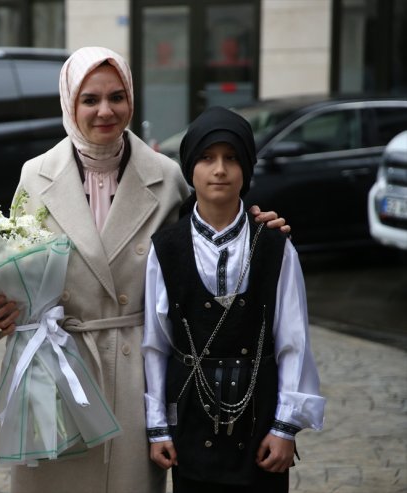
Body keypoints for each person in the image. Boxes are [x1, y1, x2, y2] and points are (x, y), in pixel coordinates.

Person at [0, 47, 288, 493]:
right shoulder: (35, 175)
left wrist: (255, 230)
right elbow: (11, 267)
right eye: (90, 99)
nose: (105, 111)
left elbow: (206, 242)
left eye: (117, 97)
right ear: (69, 103)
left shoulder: (166, 176)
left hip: (135, 371)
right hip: (57, 367)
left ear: (132, 101)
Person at [142, 106, 325, 492]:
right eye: (207, 158)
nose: (220, 170)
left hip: (259, 424)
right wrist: (158, 426)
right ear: (190, 167)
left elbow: (293, 342)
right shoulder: (166, 248)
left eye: (231, 159)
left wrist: (284, 426)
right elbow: (156, 344)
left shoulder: (275, 246)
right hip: (190, 418)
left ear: (247, 170)